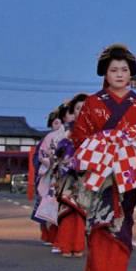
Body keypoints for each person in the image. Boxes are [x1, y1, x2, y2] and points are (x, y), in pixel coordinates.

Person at [70, 44, 136, 271]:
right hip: (101, 172)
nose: (119, 74)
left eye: (124, 70)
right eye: (114, 70)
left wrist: (131, 138)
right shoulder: (93, 102)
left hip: (126, 172)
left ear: (131, 74)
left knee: (123, 221)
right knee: (100, 220)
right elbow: (79, 136)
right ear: (105, 74)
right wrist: (104, 141)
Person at [50, 94, 89, 257]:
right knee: (68, 210)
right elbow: (58, 152)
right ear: (73, 111)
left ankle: (78, 246)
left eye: (85, 108)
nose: (82, 111)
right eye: (78, 108)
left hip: (86, 175)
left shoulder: (96, 130)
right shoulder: (68, 131)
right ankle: (66, 245)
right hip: (69, 175)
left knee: (81, 211)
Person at [33, 107, 66, 247]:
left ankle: (59, 236)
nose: (57, 126)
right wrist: (47, 163)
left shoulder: (67, 136)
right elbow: (38, 158)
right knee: (46, 206)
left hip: (62, 175)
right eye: (55, 123)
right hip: (48, 175)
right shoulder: (47, 139)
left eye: (59, 123)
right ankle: (48, 235)